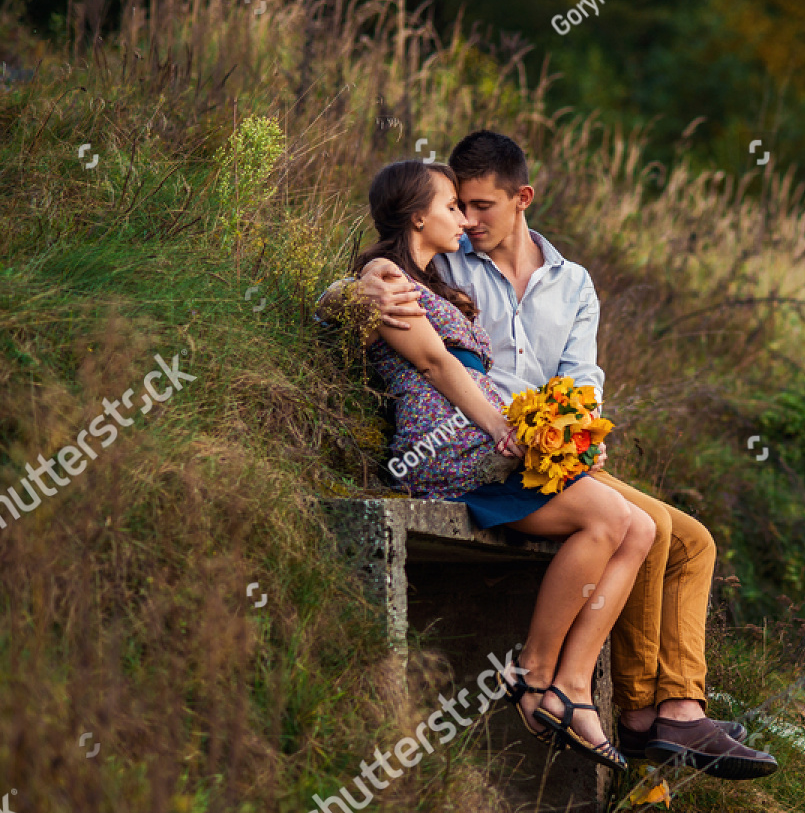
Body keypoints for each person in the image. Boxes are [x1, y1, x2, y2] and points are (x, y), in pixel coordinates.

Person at [321, 131, 775, 780]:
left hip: (543, 448)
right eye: (459, 205)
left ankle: (671, 704)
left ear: (521, 198)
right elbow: (386, 288)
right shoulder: (451, 264)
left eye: (480, 206)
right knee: (649, 527)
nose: (469, 219)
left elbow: (581, 374)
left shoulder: (572, 282)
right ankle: (630, 710)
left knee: (692, 539)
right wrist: (354, 288)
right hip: (489, 451)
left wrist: (579, 425)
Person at [349, 157, 658, 773]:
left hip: (481, 442)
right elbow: (438, 367)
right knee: (605, 519)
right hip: (444, 448)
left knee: (641, 528)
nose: (462, 218)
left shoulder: (437, 282)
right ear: (417, 217)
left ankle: (571, 687)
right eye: (450, 206)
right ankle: (532, 672)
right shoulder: (385, 275)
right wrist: (500, 430)